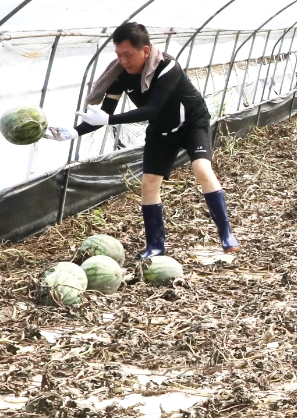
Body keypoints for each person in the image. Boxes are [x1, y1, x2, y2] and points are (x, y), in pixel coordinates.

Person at [49, 22, 237, 258]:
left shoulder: (167, 67)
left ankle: (226, 233)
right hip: (160, 129)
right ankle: (155, 246)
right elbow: (104, 115)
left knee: (201, 168)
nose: (123, 61)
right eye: (118, 55)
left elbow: (151, 109)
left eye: (128, 55)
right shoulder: (120, 76)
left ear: (145, 51)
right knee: (149, 182)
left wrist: (108, 120)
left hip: (191, 123)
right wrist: (74, 132)